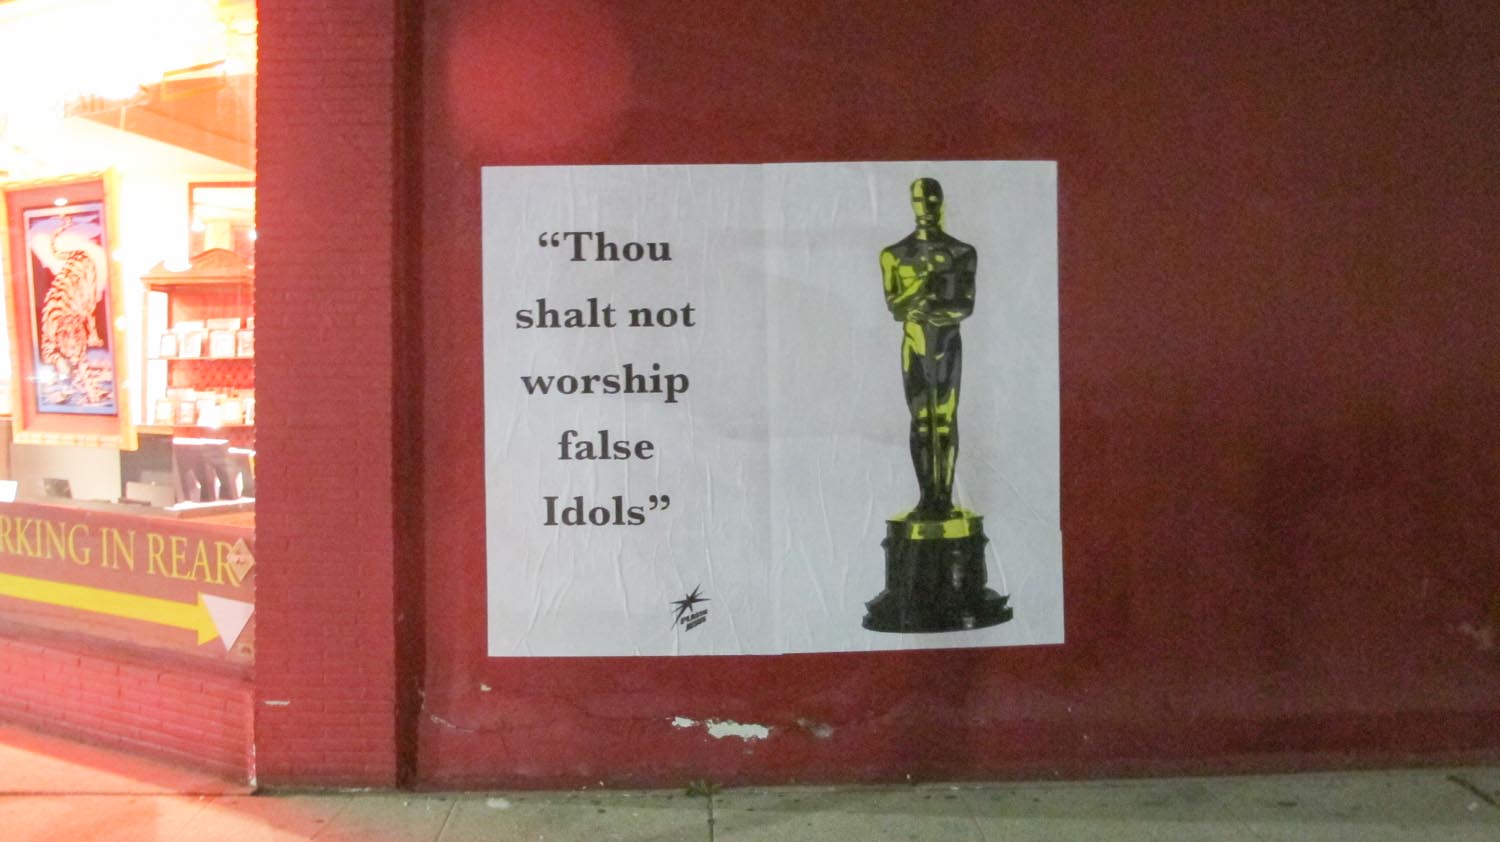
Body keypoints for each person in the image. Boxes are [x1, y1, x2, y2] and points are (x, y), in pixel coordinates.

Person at [880, 178, 976, 518]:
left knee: (945, 419)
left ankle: (944, 499)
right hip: (915, 342)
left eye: (932, 199)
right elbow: (894, 306)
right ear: (913, 203)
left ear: (941, 202)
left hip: (947, 342)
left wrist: (933, 307)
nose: (927, 207)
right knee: (921, 419)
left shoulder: (961, 253)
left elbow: (966, 305)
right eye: (921, 200)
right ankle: (927, 499)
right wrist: (923, 287)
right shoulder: (894, 255)